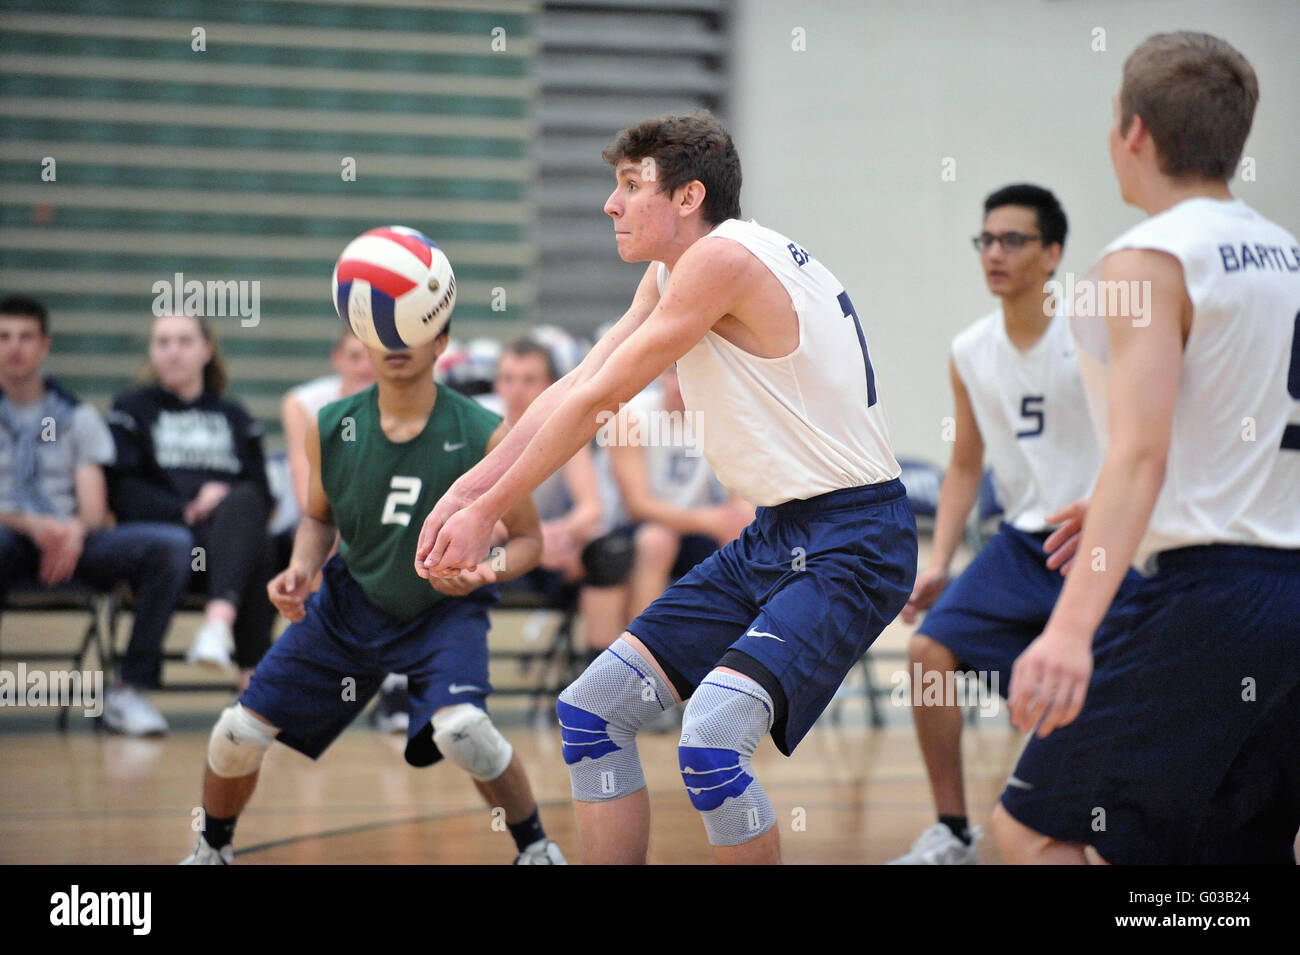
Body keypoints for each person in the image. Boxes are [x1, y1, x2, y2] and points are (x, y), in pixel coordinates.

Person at [415, 111, 917, 864]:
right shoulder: (678, 269)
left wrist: (486, 510)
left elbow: (597, 403)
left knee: (711, 739)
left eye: (629, 185)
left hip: (852, 538)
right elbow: (577, 382)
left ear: (686, 198)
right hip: (777, 532)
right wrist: (466, 494)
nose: (610, 205)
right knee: (591, 711)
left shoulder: (721, 261)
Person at [990, 32, 1300, 864]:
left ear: (1133, 133)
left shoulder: (1149, 261)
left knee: (1022, 836)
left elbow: (1140, 454)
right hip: (1287, 592)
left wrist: (1066, 630)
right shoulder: (1290, 258)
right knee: (1228, 853)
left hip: (1206, 598)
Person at [181, 322, 565, 864]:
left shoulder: (483, 431)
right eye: (384, 331)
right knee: (237, 732)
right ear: (363, 343)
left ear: (440, 344)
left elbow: (528, 541)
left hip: (443, 611)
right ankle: (212, 848)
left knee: (465, 732)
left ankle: (536, 848)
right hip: (348, 604)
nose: (398, 343)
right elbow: (317, 519)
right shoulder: (333, 425)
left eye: (415, 328)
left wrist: (486, 569)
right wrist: (300, 567)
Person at [891, 185, 1139, 864]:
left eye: (1014, 240)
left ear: (1053, 253)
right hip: (1021, 543)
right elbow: (965, 465)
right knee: (927, 654)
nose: (995, 253)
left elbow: (1137, 439)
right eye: (986, 239)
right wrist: (939, 559)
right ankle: (952, 828)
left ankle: (1107, 830)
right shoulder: (971, 349)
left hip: (1096, 543)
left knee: (1098, 692)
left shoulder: (1093, 334)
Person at [0, 295, 192, 735]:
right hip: (9, 537)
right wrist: (30, 525)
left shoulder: (76, 416)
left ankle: (130, 690)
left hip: (71, 543)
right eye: (4, 337)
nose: (15, 347)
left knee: (172, 546)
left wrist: (72, 532)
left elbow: (92, 508)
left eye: (26, 337)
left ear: (44, 345)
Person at [107, 312, 277, 691]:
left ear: (207, 349)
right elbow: (120, 490)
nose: (172, 352)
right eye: (162, 342)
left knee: (249, 511)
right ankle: (251, 682)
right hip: (167, 543)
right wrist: (186, 508)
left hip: (226, 547)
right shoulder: (132, 410)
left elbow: (262, 493)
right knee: (240, 543)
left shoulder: (234, 416)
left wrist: (222, 500)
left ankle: (219, 626)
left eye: (184, 341)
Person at [599, 364, 753, 650]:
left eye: (690, 373)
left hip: (696, 526)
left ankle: (729, 654)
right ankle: (643, 655)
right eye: (673, 373)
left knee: (744, 534)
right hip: (634, 531)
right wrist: (708, 520)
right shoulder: (630, 418)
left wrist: (740, 517)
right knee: (657, 541)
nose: (680, 384)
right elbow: (638, 505)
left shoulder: (720, 417)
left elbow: (739, 493)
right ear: (660, 376)